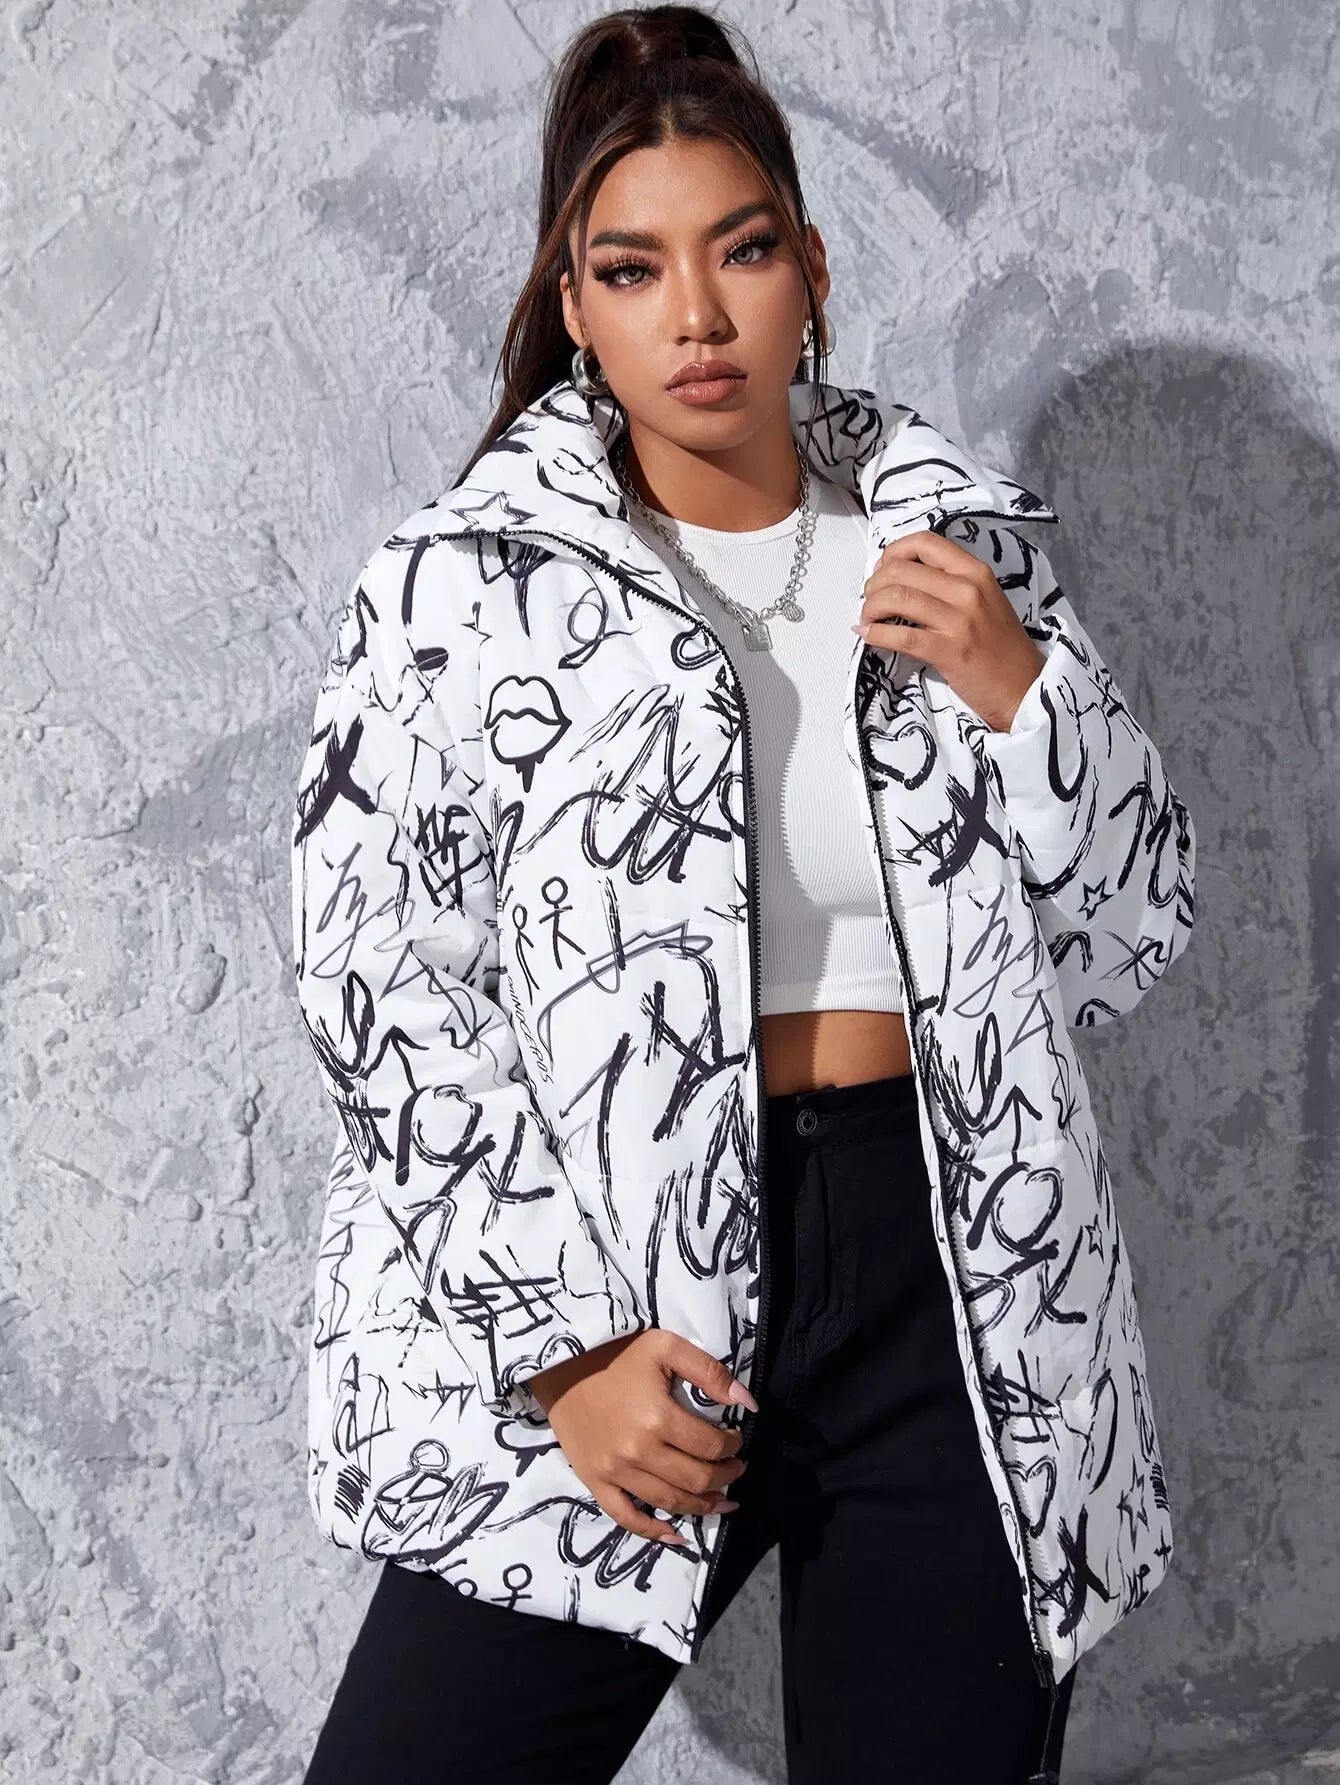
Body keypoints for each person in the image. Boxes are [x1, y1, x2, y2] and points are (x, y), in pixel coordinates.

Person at [290, 7, 1196, 1781]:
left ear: (812, 273)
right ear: (575, 306)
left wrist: (1026, 695)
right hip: (625, 1273)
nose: (695, 316)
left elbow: (1133, 929)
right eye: (633, 269)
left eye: (743, 250)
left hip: (952, 1281)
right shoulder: (466, 589)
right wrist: (566, 1351)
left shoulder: (956, 554)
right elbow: (378, 986)